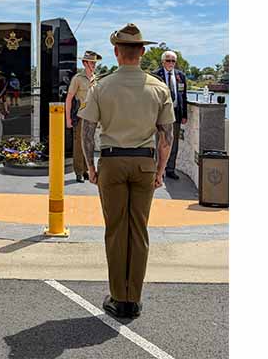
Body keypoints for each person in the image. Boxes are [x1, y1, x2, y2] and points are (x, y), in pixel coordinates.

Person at [78, 23, 175, 319]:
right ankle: (135, 297)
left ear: (117, 52)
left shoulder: (101, 85)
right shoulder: (158, 88)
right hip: (144, 163)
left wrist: (90, 167)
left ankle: (119, 298)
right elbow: (167, 136)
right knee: (139, 230)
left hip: (112, 161)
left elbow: (87, 130)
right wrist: (159, 172)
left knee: (116, 230)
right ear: (143, 52)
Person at [65, 50, 102, 182]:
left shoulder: (95, 78)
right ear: (85, 63)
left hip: (92, 116)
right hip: (80, 115)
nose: (94, 65)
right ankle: (79, 172)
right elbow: (69, 99)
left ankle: (87, 170)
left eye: (95, 63)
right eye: (91, 62)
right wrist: (68, 118)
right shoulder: (78, 79)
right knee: (79, 144)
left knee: (89, 143)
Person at [151, 50, 188, 180]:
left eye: (173, 61)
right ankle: (157, 169)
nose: (171, 63)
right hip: (160, 115)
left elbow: (184, 96)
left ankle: (170, 169)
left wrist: (185, 115)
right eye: (168, 60)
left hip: (176, 114)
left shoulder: (180, 76)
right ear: (163, 62)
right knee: (159, 141)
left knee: (173, 143)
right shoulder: (155, 76)